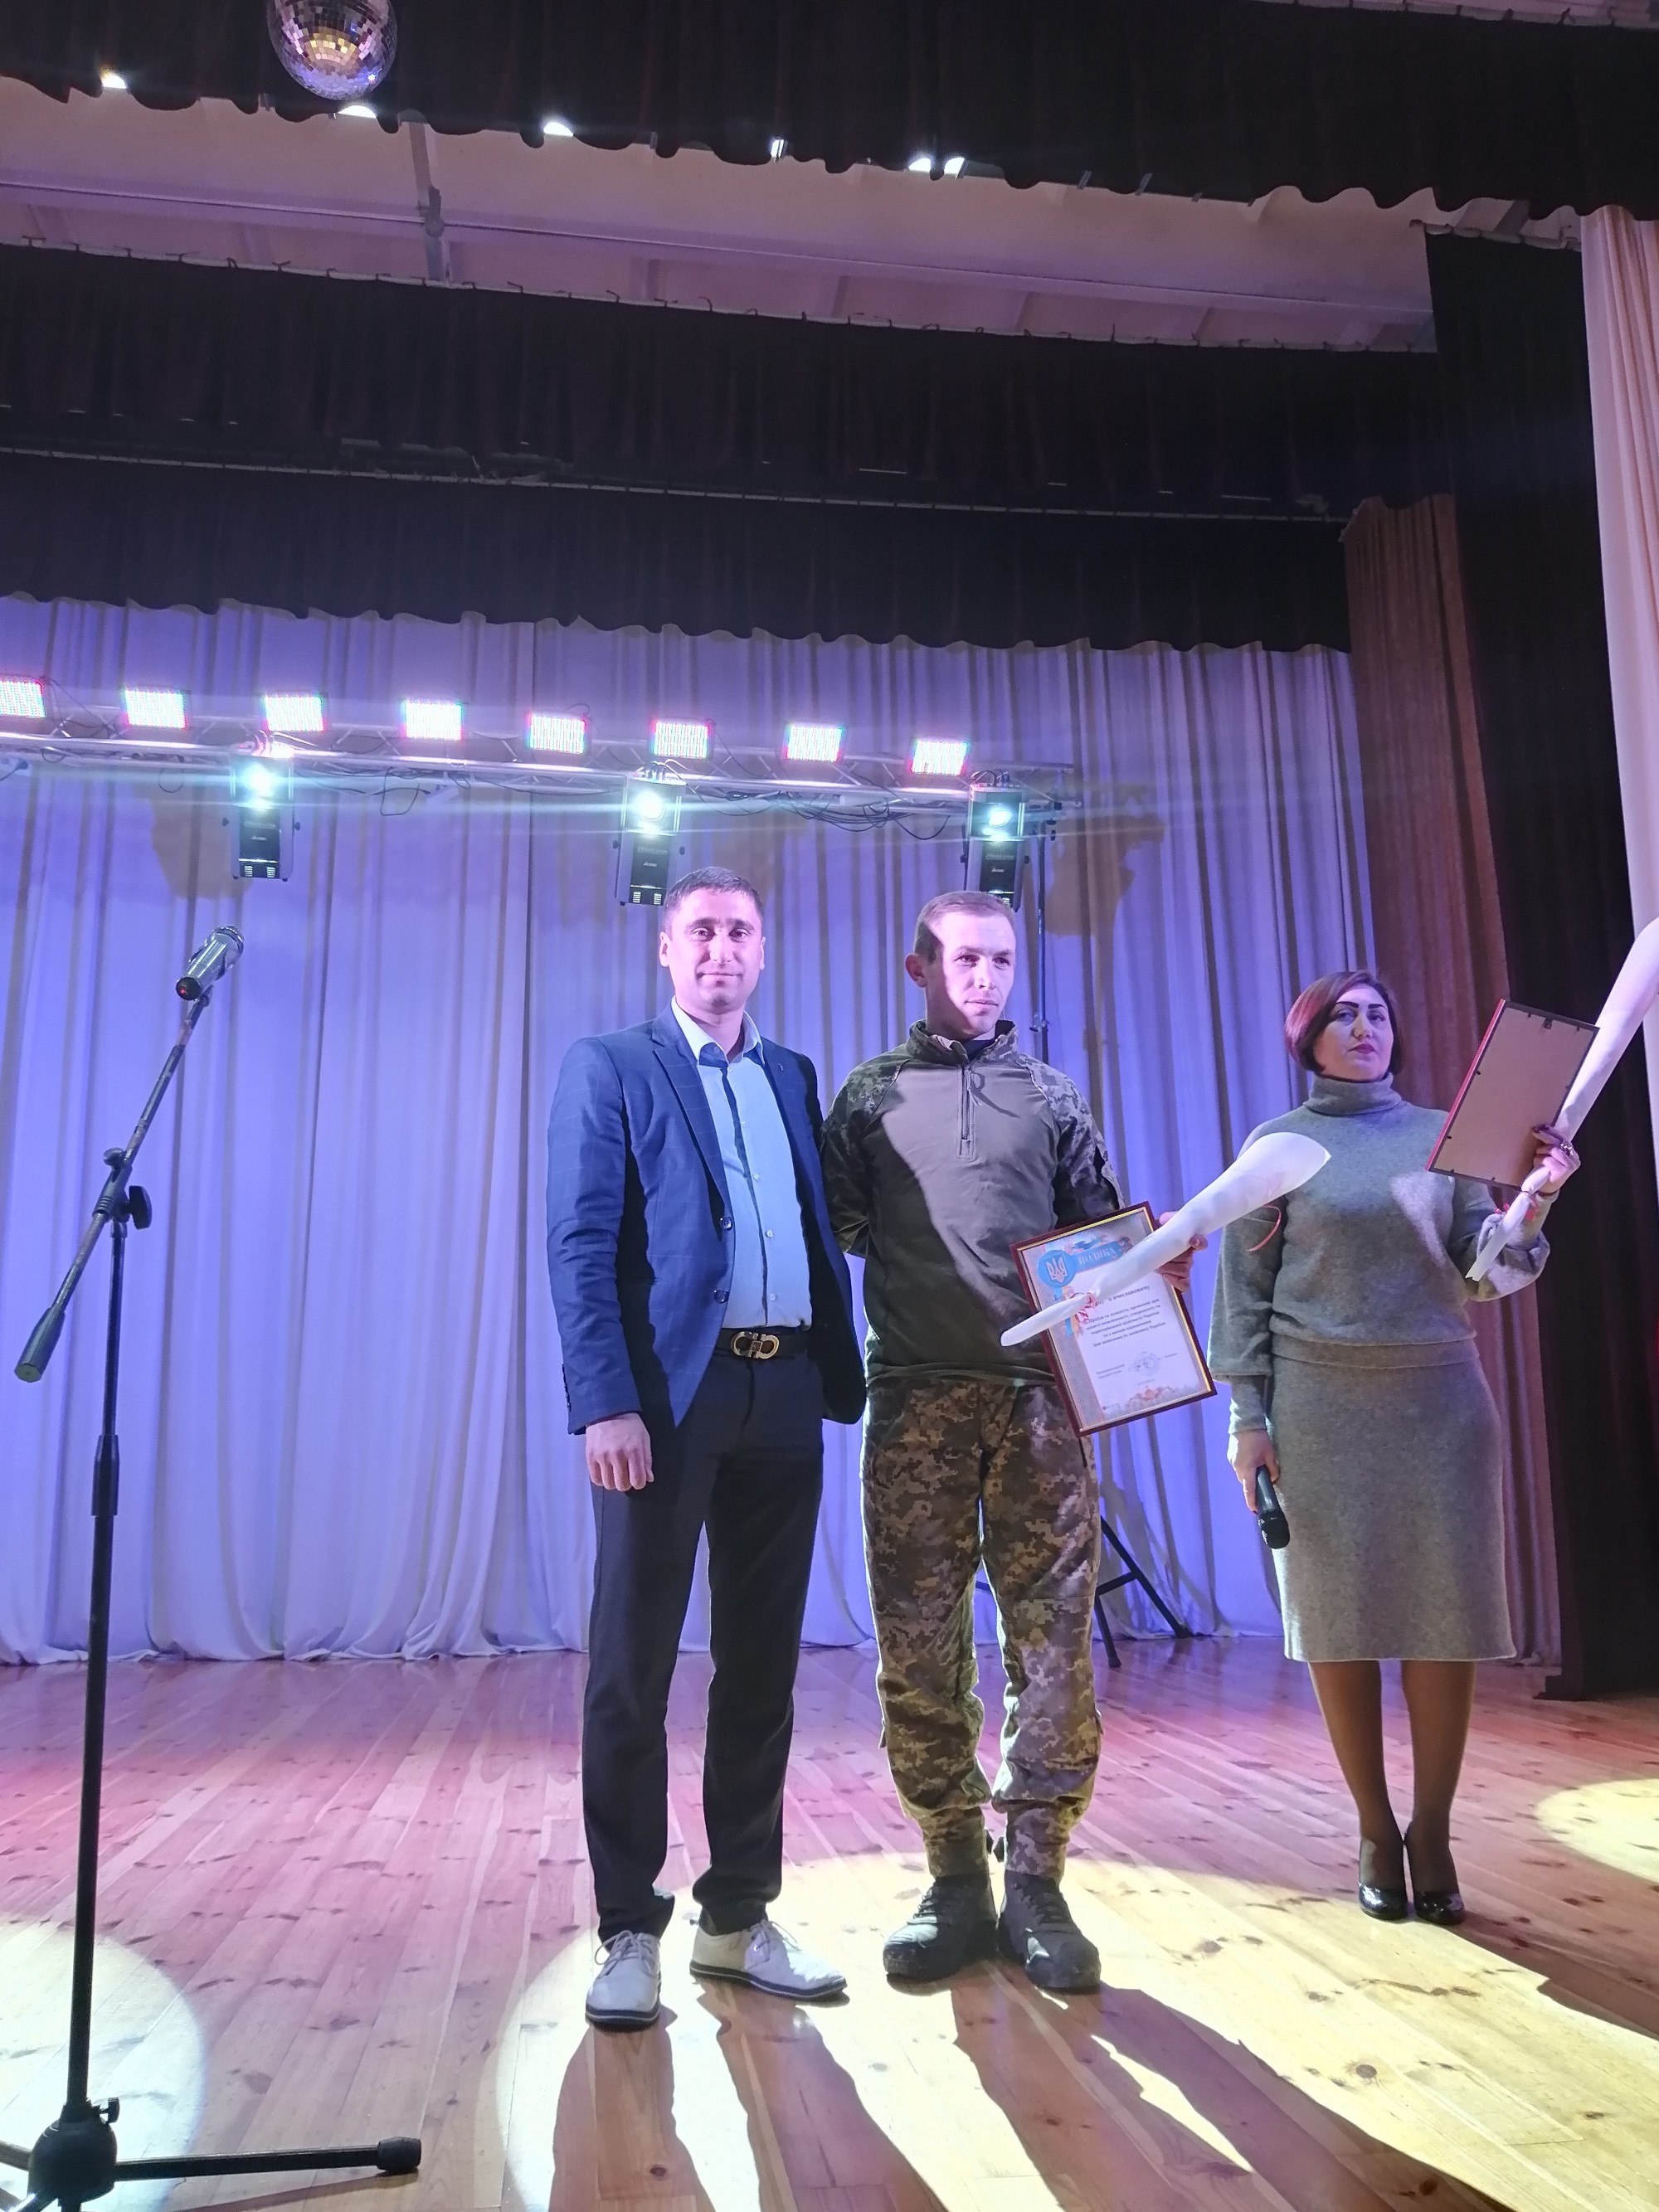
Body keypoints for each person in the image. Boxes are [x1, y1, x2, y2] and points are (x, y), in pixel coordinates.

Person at [821, 889, 1195, 1992]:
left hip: (1039, 1405)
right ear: (918, 966)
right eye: (965, 960)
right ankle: (952, 1874)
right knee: (916, 1645)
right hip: (915, 1402)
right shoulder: (868, 1098)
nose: (985, 979)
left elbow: (1101, 1239)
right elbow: (835, 1228)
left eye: (1001, 961)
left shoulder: (1051, 1095)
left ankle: (1035, 1877)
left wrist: (1153, 1264)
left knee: (1053, 1645)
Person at [547, 867, 867, 2030]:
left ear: (763, 951)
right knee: (631, 1670)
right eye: (702, 932)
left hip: (785, 1392)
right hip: (665, 1405)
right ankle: (628, 1925)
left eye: (740, 932)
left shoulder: (791, 1074)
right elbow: (581, 1243)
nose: (721, 949)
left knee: (762, 1667)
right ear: (666, 951)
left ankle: (737, 1916)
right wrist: (606, 1402)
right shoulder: (612, 1065)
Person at [1208, 970, 1579, 1924]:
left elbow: (1485, 1273)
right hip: (1317, 1409)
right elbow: (1241, 1298)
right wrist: (1246, 1420)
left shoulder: (1438, 1137)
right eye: (1343, 1014)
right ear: (1307, 1036)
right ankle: (1374, 1829)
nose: (1363, 1026)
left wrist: (1534, 1199)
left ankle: (1432, 1830)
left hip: (1438, 1405)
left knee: (1442, 1622)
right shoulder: (1276, 1147)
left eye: (1377, 1013)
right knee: (1337, 1626)